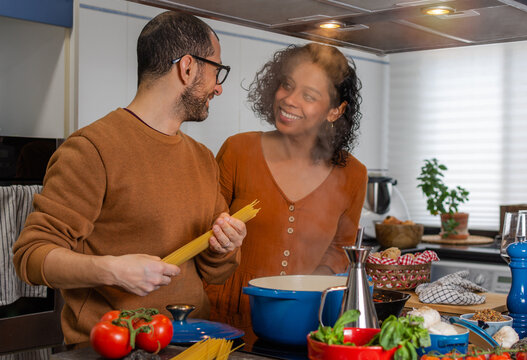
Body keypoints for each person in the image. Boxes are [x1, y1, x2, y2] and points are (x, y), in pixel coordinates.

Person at [12, 11, 246, 346]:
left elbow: (214, 272)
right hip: (111, 349)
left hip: (190, 343)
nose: (218, 87)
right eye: (216, 70)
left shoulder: (203, 158)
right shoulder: (92, 149)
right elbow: (30, 256)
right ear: (188, 67)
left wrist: (225, 247)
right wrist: (112, 270)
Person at [205, 43, 368, 332]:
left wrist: (303, 291)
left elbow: (340, 250)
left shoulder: (353, 173)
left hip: (303, 318)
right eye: (286, 85)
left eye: (308, 95)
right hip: (223, 314)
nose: (289, 100)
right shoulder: (239, 150)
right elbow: (206, 228)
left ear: (335, 111)